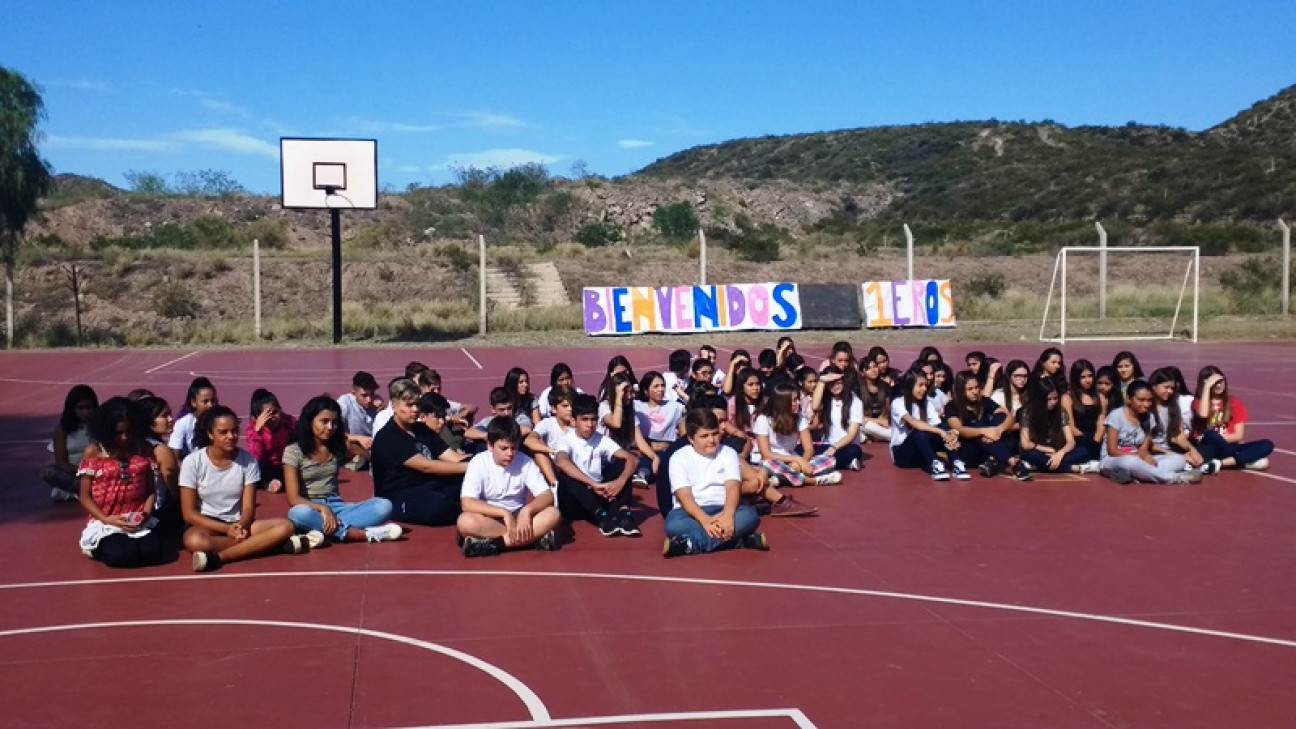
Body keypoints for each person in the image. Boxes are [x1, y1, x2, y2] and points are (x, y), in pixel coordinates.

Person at [181, 406, 309, 572]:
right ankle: (270, 545)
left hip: (239, 524)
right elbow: (189, 514)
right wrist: (226, 529)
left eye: (234, 431)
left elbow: (248, 507)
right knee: (195, 541)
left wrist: (240, 526)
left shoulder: (248, 462)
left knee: (286, 526)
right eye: (223, 432)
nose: (231, 437)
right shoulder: (192, 462)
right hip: (207, 525)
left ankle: (220, 557)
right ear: (210, 434)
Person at [284, 396, 402, 544]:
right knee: (297, 513)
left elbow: (373, 456)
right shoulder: (293, 451)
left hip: (339, 508)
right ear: (310, 420)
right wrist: (322, 509)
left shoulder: (338, 445)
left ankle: (327, 530)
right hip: (312, 508)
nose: (329, 427)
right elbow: (293, 499)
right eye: (324, 421)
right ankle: (359, 534)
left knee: (384, 506)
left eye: (334, 422)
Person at [662, 408, 769, 558]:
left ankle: (689, 544)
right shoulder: (679, 457)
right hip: (690, 514)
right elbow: (684, 496)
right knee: (673, 525)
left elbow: (733, 487)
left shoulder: (728, 453)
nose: (711, 440)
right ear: (691, 439)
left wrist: (727, 516)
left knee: (750, 516)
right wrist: (705, 520)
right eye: (704, 436)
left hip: (724, 508)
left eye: (714, 434)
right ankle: (738, 541)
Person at [75, 397, 164, 568]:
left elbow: (151, 490)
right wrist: (107, 520)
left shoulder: (144, 450)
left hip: (137, 520)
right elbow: (85, 496)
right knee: (123, 556)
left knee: (153, 552)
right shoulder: (94, 452)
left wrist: (145, 513)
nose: (124, 437)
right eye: (118, 432)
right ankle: (97, 546)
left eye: (128, 432)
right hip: (106, 520)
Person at [457, 418, 562, 557]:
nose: (510, 453)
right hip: (491, 519)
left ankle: (495, 545)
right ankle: (531, 540)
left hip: (520, 520)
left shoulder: (525, 462)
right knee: (465, 522)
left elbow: (547, 495)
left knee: (553, 514)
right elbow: (467, 503)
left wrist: (527, 511)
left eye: (514, 448)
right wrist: (504, 513)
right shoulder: (478, 462)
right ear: (489, 445)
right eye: (504, 448)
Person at [370, 379, 469, 527]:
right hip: (399, 496)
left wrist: (484, 460)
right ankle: (469, 511)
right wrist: (472, 467)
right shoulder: (388, 437)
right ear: (394, 406)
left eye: (417, 404)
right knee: (439, 506)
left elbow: (453, 458)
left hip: (430, 485)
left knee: (469, 484)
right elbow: (426, 466)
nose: (415, 409)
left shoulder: (422, 430)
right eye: (409, 405)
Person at [554, 393, 639, 537]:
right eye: (585, 420)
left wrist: (621, 481)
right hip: (573, 503)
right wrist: (593, 484)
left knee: (623, 463)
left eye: (593, 419)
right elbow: (561, 461)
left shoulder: (601, 439)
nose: (590, 425)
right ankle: (602, 518)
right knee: (566, 474)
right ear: (574, 421)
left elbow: (632, 459)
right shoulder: (566, 440)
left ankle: (624, 515)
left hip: (598, 495)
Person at [1099, 381, 1200, 485]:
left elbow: (1144, 449)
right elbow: (1112, 450)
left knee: (1179, 459)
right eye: (1141, 400)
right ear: (1129, 399)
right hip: (1114, 459)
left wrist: (1145, 458)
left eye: (1149, 400)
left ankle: (1137, 474)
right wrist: (1140, 459)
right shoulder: (1116, 415)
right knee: (1131, 462)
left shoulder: (1149, 417)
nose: (1146, 404)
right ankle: (1174, 478)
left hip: (1138, 459)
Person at [753, 382, 842, 487]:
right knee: (768, 465)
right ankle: (815, 480)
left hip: (791, 459)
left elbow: (809, 449)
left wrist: (802, 463)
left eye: (798, 399)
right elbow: (766, 454)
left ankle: (781, 478)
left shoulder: (799, 417)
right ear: (783, 403)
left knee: (829, 460)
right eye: (794, 400)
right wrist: (797, 459)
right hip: (772, 460)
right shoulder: (763, 419)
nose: (799, 403)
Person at [1192, 366, 1274, 472]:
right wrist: (1207, 387)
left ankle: (1220, 463)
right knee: (1212, 435)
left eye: (1221, 381)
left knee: (1267, 444)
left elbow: (1238, 436)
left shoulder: (1234, 403)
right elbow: (1203, 414)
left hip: (1229, 446)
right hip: (1209, 446)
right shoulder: (1198, 402)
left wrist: (1221, 438)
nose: (1218, 385)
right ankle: (1244, 459)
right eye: (1214, 383)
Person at [943, 370, 1019, 479]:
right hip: (968, 448)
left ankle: (992, 460)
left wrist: (999, 430)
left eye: (977, 387)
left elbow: (1009, 418)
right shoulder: (951, 406)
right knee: (976, 425)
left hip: (990, 443)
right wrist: (984, 431)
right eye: (970, 389)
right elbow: (959, 429)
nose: (975, 392)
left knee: (1001, 418)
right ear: (960, 390)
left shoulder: (983, 401)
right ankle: (1012, 462)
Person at [1018, 379, 1101, 475]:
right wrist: (1047, 449)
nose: (1053, 402)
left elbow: (1071, 441)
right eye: (1048, 399)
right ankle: (1076, 468)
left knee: (1083, 451)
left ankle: (1040, 465)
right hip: (1039, 450)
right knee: (1031, 455)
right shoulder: (1027, 412)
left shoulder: (1061, 412)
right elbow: (1026, 444)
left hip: (1058, 451)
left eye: (1055, 398)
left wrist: (1059, 454)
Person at [890, 368, 961, 481]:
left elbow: (937, 423)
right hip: (903, 455)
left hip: (922, 453)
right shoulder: (898, 402)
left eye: (926, 385)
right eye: (920, 385)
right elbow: (914, 423)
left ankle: (956, 462)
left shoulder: (926, 402)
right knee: (919, 432)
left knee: (943, 428)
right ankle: (935, 464)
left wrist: (950, 434)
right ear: (910, 385)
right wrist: (941, 432)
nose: (924, 389)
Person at [135, 396, 183, 536]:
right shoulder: (160, 450)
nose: (171, 419)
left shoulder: (133, 446)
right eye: (164, 416)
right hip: (158, 513)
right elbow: (175, 493)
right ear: (149, 422)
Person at [44, 384, 98, 502]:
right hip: (75, 473)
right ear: (72, 408)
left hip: (98, 472)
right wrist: (83, 471)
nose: (85, 412)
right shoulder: (62, 430)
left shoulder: (99, 427)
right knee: (49, 472)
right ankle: (89, 491)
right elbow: (61, 463)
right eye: (80, 408)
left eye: (89, 408)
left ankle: (88, 491)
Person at [1147, 368, 1206, 470]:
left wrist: (1193, 450)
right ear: (1154, 386)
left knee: (1203, 452)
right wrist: (1174, 455)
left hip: (1170, 449)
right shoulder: (1146, 409)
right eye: (1166, 387)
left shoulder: (1172, 408)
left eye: (1172, 388)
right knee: (1176, 461)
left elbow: (1179, 436)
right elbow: (1146, 443)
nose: (1169, 391)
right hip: (1152, 451)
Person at [634, 371, 686, 483]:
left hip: (665, 448)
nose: (661, 389)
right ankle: (643, 474)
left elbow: (696, 407)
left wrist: (682, 394)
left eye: (663, 386)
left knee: (663, 458)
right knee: (644, 460)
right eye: (656, 386)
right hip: (646, 449)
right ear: (646, 390)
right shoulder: (637, 406)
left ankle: (646, 474)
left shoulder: (674, 406)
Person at [811, 367, 864, 472]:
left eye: (838, 382)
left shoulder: (855, 401)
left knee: (855, 451)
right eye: (830, 383)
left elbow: (852, 435)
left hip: (844, 446)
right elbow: (815, 406)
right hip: (825, 445)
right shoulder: (826, 399)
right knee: (800, 448)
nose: (835, 386)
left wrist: (834, 448)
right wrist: (822, 381)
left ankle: (818, 463)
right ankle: (845, 463)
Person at [244, 388, 296, 492]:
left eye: (275, 412)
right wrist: (257, 433)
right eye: (268, 415)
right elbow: (255, 456)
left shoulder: (289, 422)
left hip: (287, 465)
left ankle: (279, 483)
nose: (273, 417)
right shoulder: (252, 429)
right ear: (258, 417)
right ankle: (267, 485)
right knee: (253, 466)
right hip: (267, 467)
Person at [1062, 359, 1107, 460]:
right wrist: (1084, 439)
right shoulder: (1068, 398)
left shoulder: (1100, 397)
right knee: (1082, 453)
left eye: (1090, 376)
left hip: (1096, 439)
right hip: (1078, 439)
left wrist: (1096, 440)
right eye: (1083, 377)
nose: (1088, 380)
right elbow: (1070, 425)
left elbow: (1101, 422)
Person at [337, 370, 382, 470]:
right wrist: (358, 438)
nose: (369, 400)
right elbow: (336, 433)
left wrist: (383, 411)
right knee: (345, 444)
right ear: (354, 392)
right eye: (364, 396)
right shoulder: (345, 403)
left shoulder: (377, 403)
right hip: (353, 442)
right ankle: (373, 459)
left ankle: (363, 459)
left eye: (371, 394)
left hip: (370, 444)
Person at [169, 376, 217, 460]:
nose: (210, 405)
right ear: (193, 402)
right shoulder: (183, 423)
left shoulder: (219, 421)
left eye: (213, 401)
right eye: (205, 401)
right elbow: (174, 457)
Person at [466, 387, 534, 444]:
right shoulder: (489, 420)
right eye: (502, 409)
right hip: (493, 453)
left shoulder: (519, 417)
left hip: (516, 451)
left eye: (509, 408)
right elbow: (468, 432)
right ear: (493, 409)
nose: (506, 413)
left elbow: (527, 429)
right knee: (481, 432)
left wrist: (499, 437)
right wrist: (486, 436)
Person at [857, 357, 892, 443]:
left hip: (882, 424)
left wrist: (883, 421)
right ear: (862, 373)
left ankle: (870, 437)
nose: (873, 370)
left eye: (875, 366)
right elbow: (858, 418)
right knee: (867, 426)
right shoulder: (857, 389)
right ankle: (891, 436)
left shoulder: (885, 386)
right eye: (869, 368)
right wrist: (879, 421)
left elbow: (887, 410)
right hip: (865, 424)